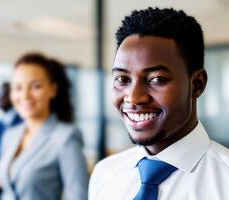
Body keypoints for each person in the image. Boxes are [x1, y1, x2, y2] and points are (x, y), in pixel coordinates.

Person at [89, 7, 229, 200]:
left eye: (157, 79)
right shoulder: (105, 173)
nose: (134, 97)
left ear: (196, 85)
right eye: (122, 79)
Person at [0, 53, 89, 200]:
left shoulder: (66, 138)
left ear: (52, 89)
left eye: (35, 86)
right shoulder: (10, 135)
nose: (25, 95)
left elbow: (78, 196)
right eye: (18, 87)